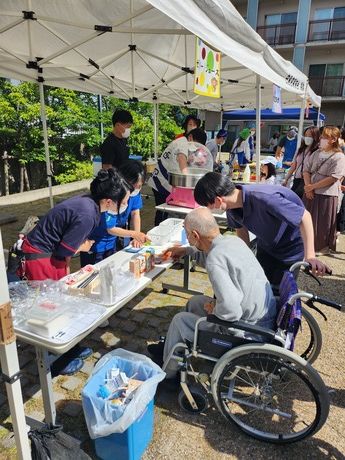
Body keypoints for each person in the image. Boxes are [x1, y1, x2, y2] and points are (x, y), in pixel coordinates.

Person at [21, 168, 129, 375]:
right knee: (49, 307)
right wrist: (85, 246)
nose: (122, 207)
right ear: (108, 201)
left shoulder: (89, 203)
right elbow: (65, 249)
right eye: (121, 202)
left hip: (50, 254)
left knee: (61, 301)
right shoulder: (88, 214)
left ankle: (69, 348)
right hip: (41, 257)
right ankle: (52, 360)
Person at [147, 208, 277, 377]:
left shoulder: (215, 260)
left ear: (195, 235)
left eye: (186, 233)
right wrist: (186, 251)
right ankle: (171, 349)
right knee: (195, 302)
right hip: (262, 316)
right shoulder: (233, 241)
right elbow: (211, 256)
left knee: (180, 320)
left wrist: (215, 310)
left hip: (248, 332)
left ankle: (168, 375)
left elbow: (230, 311)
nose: (186, 237)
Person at [194, 172, 330, 286]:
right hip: (266, 246)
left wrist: (310, 256)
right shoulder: (232, 207)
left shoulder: (264, 198)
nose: (209, 209)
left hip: (290, 248)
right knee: (260, 284)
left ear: (218, 200)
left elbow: (305, 216)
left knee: (281, 292)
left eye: (207, 205)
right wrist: (244, 257)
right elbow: (241, 230)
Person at [80, 161, 148, 266]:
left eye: (140, 185)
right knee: (93, 275)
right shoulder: (112, 196)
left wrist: (136, 236)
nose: (137, 189)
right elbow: (110, 228)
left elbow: (135, 213)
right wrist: (134, 234)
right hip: (94, 244)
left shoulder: (134, 194)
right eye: (136, 185)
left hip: (112, 242)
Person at [148, 128, 211, 225]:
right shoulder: (183, 143)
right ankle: (159, 232)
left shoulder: (181, 142)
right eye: (194, 144)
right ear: (190, 137)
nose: (193, 147)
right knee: (163, 212)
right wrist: (188, 182)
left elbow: (184, 159)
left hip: (164, 181)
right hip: (160, 183)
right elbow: (182, 160)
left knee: (164, 212)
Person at [303, 126, 345, 254]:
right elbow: (306, 170)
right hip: (310, 191)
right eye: (321, 137)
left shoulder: (339, 157)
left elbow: (334, 177)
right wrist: (308, 187)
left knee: (323, 222)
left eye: (324, 137)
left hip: (327, 194)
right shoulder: (316, 153)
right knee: (307, 218)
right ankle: (305, 243)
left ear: (333, 139)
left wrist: (312, 187)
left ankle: (321, 247)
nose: (321, 139)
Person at [282, 126, 320, 198]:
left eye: (310, 136)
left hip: (308, 181)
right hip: (297, 179)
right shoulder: (300, 149)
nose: (307, 138)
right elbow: (294, 165)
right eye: (306, 135)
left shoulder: (317, 151)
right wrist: (286, 178)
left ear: (316, 137)